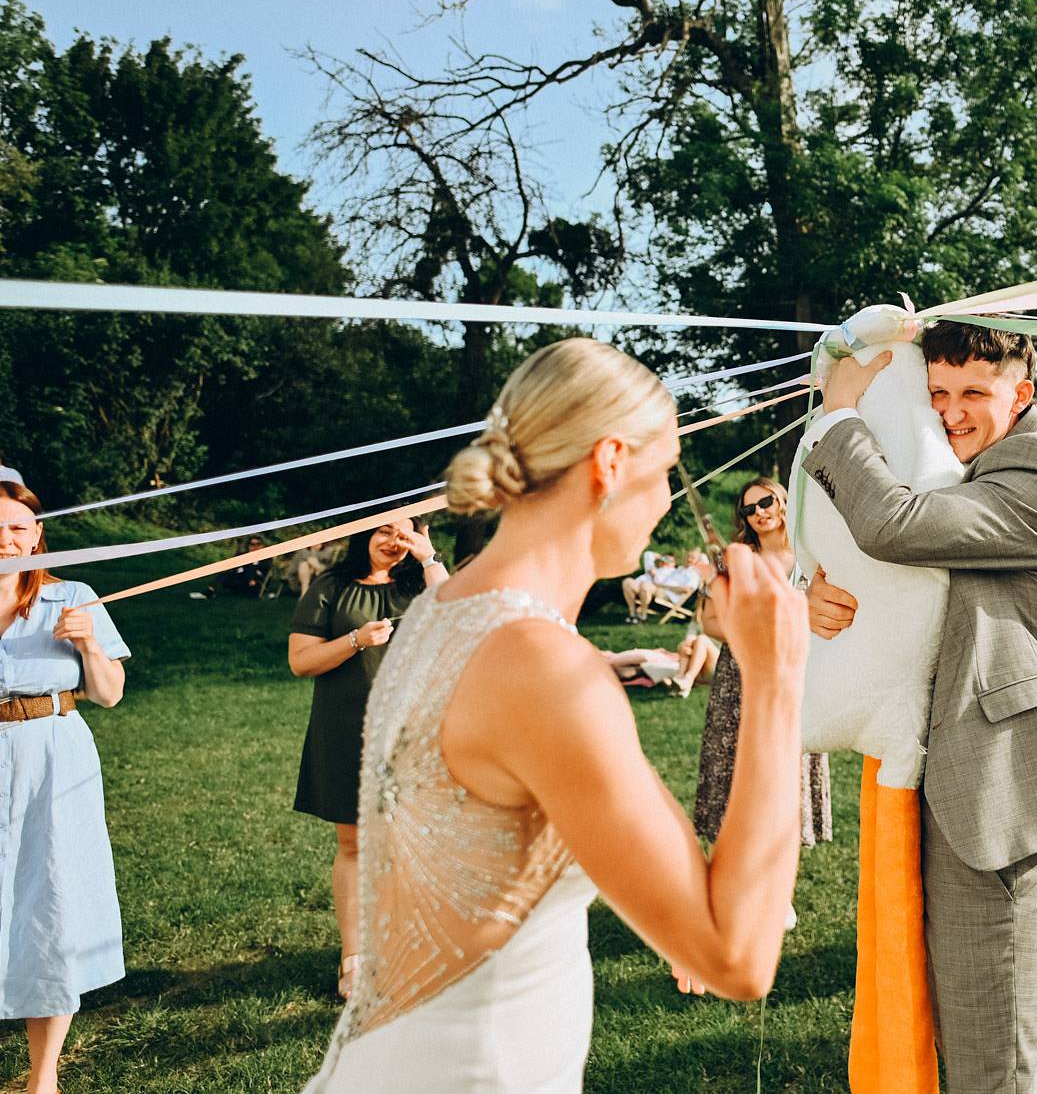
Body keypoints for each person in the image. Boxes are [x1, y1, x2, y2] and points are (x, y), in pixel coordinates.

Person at [302, 339, 808, 1093]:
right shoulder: (544, 670)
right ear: (610, 461)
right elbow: (736, 958)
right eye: (667, 472)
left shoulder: (445, 606)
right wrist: (776, 677)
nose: (668, 501)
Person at [808, 321, 1037, 1093]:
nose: (950, 411)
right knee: (958, 1030)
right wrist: (817, 589)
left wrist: (840, 414)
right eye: (937, 391)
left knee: (992, 1060)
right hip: (948, 778)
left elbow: (894, 525)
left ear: (1023, 391)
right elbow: (910, 577)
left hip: (1001, 793)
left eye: (974, 391)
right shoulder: (965, 469)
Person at [0, 480, 129, 1094]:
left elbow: (109, 694)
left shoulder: (73, 597)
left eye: (17, 527)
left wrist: (87, 643)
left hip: (52, 769)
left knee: (50, 906)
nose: (3, 539)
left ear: (37, 536)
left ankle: (43, 1080)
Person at [288, 516, 448, 999]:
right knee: (355, 844)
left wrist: (428, 557)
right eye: (385, 531)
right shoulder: (330, 587)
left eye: (404, 533)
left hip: (413, 733)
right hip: (346, 730)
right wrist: (356, 640)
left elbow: (456, 615)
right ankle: (355, 959)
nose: (393, 541)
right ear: (365, 534)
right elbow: (301, 661)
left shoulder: (419, 585)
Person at [693, 477, 831, 847]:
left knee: (787, 755)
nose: (759, 513)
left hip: (793, 670)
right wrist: (751, 631)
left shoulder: (811, 556)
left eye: (766, 502)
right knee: (738, 755)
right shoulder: (733, 559)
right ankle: (738, 845)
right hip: (739, 672)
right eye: (749, 508)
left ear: (782, 500)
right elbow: (709, 621)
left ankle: (785, 845)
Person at [621, 551, 677, 622]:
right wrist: (659, 556)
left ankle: (643, 614)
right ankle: (632, 613)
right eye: (664, 559)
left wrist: (654, 574)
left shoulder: (672, 572)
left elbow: (660, 582)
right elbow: (647, 554)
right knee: (627, 582)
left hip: (653, 589)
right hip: (640, 586)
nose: (666, 562)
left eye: (669, 561)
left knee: (645, 585)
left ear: (674, 563)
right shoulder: (656, 569)